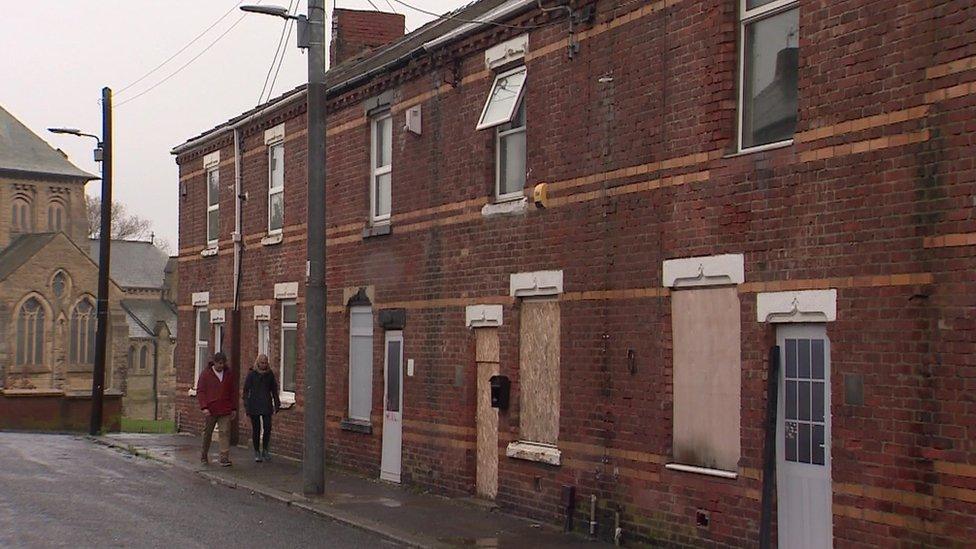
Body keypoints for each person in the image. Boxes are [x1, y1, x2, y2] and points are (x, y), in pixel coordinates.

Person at [196, 351, 237, 466]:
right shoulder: (206, 374)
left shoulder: (228, 374)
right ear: (214, 363)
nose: (221, 366)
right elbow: (201, 391)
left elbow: (232, 392)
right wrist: (204, 407)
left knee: (224, 432)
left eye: (223, 363)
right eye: (219, 363)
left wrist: (233, 408)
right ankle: (204, 454)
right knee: (208, 433)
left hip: (225, 409)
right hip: (211, 409)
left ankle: (224, 457)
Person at [242, 354, 281, 462]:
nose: (264, 365)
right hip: (254, 403)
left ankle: (265, 449)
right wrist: (246, 405)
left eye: (265, 363)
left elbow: (274, 389)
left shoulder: (269, 374)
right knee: (256, 429)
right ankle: (256, 451)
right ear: (258, 363)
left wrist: (277, 403)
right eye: (262, 363)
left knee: (268, 427)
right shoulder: (252, 374)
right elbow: (246, 390)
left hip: (266, 403)